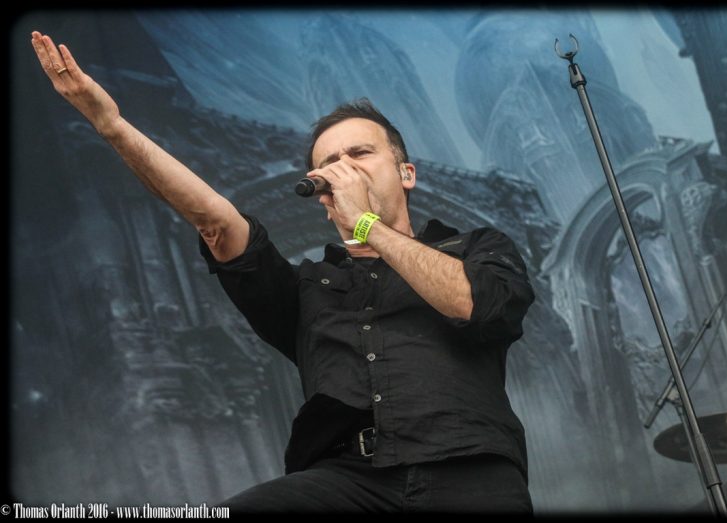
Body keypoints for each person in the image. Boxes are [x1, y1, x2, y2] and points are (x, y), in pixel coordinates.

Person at [31, 30, 536, 513]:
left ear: (406, 173)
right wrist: (111, 125)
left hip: (469, 469)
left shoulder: (475, 247)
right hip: (345, 479)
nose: (344, 169)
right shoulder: (308, 288)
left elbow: (474, 304)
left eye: (360, 153)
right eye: (329, 163)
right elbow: (214, 220)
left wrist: (366, 225)